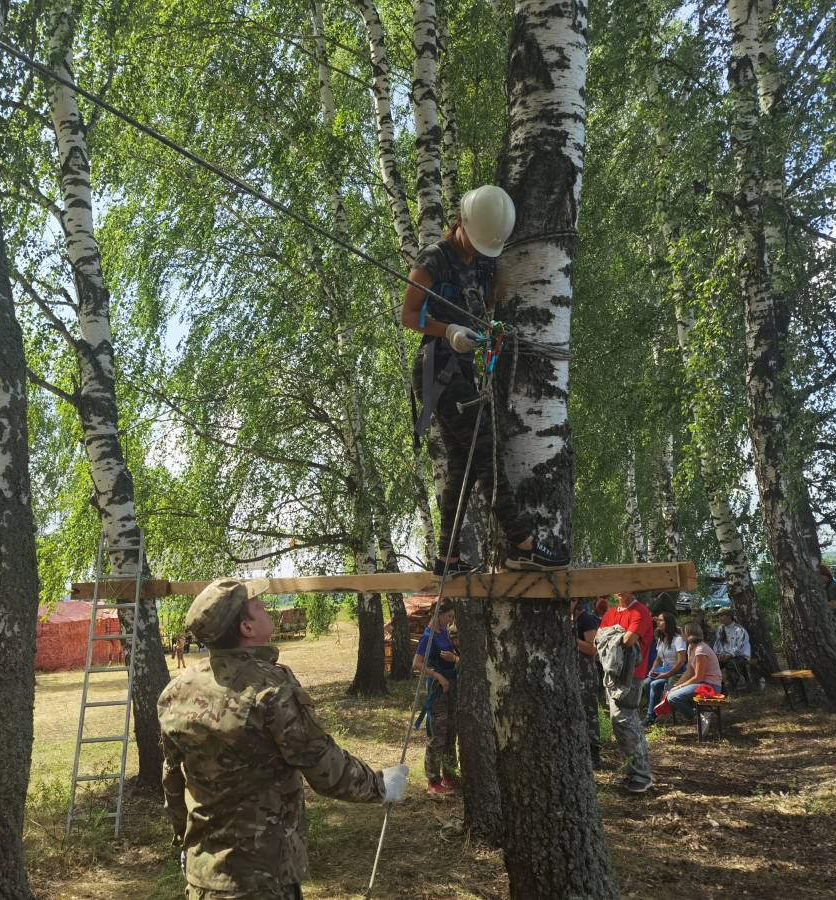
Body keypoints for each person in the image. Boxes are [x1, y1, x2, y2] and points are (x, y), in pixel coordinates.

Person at [158, 579, 407, 899]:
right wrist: (380, 785)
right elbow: (324, 768)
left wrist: (185, 841)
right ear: (247, 627)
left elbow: (173, 781)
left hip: (202, 879)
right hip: (261, 881)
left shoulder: (176, 692)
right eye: (260, 607)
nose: (268, 608)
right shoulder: (270, 687)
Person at [402, 185, 569, 575]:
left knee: (464, 465)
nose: (478, 251)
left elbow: (484, 303)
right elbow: (409, 316)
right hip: (437, 366)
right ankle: (522, 543)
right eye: (475, 242)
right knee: (487, 450)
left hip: (461, 367)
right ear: (460, 222)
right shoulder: (434, 260)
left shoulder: (483, 260)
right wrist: (447, 331)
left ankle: (447, 558)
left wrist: (487, 328)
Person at [595, 591, 654, 793]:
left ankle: (641, 776)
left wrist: (612, 635)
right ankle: (635, 772)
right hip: (613, 674)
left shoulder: (641, 611)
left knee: (624, 722)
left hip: (631, 676)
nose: (620, 589)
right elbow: (598, 639)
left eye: (625, 585)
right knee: (627, 723)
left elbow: (628, 640)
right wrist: (616, 634)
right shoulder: (610, 612)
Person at [413, 599, 461, 795]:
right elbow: (417, 664)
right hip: (438, 689)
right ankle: (433, 780)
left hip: (451, 686)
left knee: (451, 733)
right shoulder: (429, 636)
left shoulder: (444, 633)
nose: (451, 621)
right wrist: (438, 677)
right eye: (449, 616)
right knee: (438, 734)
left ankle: (449, 774)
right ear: (438, 614)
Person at [666, 621, 725, 735]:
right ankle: (700, 716)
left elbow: (698, 676)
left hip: (710, 686)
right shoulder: (691, 648)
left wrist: (679, 687)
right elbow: (689, 671)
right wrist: (676, 685)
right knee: (669, 689)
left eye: (682, 632)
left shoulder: (700, 649)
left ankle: (696, 717)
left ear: (687, 634)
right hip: (701, 684)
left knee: (673, 697)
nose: (680, 635)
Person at [570, 598, 602, 770]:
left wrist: (572, 639)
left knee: (589, 713)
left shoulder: (587, 619)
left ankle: (594, 752)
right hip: (573, 674)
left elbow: (592, 649)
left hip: (586, 675)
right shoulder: (570, 619)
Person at [643, 612, 686, 726]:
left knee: (654, 684)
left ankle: (650, 716)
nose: (657, 622)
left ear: (668, 623)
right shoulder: (661, 638)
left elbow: (681, 661)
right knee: (646, 682)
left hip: (677, 672)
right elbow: (658, 658)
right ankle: (656, 709)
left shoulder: (678, 639)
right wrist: (653, 670)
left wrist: (667, 675)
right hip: (665, 669)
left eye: (660, 620)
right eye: (657, 620)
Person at [712, 608, 752, 692]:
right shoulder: (720, 629)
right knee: (712, 664)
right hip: (724, 656)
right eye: (718, 616)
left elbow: (741, 647)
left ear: (729, 616)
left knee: (731, 664)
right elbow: (717, 644)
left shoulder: (739, 630)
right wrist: (717, 655)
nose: (719, 618)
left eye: (721, 616)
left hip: (740, 656)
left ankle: (733, 689)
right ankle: (720, 688)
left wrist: (729, 656)